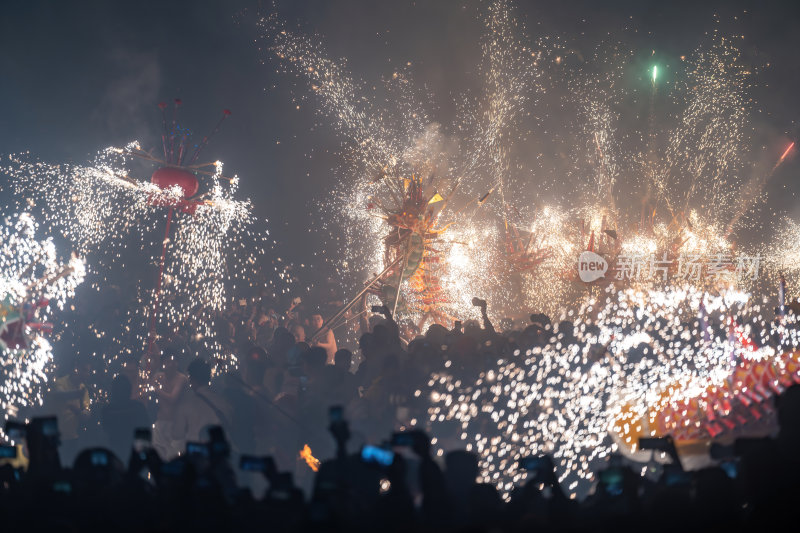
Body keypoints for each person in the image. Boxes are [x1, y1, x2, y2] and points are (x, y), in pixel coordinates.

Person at [100, 375, 151, 460]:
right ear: (129, 390)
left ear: (112, 391)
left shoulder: (107, 410)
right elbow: (146, 431)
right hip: (135, 455)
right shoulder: (138, 407)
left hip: (114, 454)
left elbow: (104, 432)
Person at [152, 349, 189, 459]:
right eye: (168, 362)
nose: (171, 365)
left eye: (174, 361)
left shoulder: (181, 378)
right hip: (160, 422)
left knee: (174, 459)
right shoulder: (158, 377)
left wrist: (156, 389)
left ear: (177, 363)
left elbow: (173, 398)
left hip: (176, 424)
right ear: (163, 364)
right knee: (157, 457)